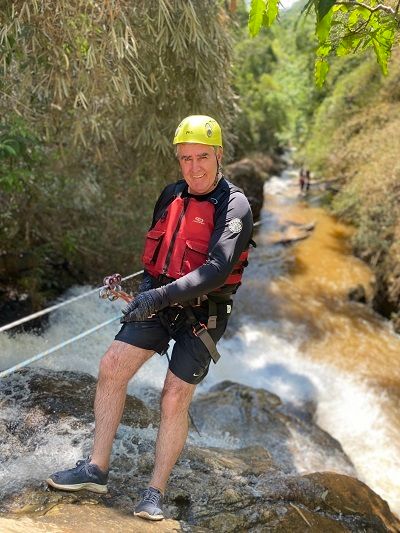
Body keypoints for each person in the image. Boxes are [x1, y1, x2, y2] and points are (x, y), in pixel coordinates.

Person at [46, 115, 254, 521]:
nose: (194, 167)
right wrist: (141, 290)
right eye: (185, 158)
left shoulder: (236, 206)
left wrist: (158, 295)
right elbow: (166, 256)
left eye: (202, 158)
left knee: (173, 397)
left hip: (204, 316)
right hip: (159, 300)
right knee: (111, 367)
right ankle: (96, 468)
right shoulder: (170, 195)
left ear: (219, 155)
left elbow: (215, 269)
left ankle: (153, 492)